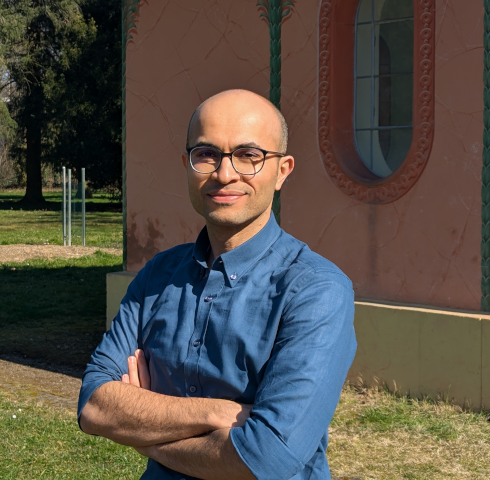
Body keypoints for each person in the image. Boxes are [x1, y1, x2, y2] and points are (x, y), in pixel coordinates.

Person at [77, 89, 357, 480]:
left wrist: (141, 428)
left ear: (283, 170)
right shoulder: (158, 277)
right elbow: (92, 405)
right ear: (187, 164)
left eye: (249, 156)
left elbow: (267, 458)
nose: (225, 174)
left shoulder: (316, 291)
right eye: (206, 154)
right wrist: (217, 413)